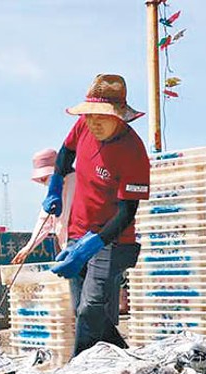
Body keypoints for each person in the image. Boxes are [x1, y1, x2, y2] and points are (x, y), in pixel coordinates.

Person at [43, 74, 150, 356]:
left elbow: (127, 213)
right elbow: (66, 152)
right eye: (90, 116)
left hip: (113, 240)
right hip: (77, 231)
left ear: (120, 116)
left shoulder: (134, 152)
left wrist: (92, 245)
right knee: (82, 311)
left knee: (91, 307)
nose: (93, 122)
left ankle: (79, 369)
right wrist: (55, 185)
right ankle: (123, 357)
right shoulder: (84, 124)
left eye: (101, 117)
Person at [11, 148, 75, 265]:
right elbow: (44, 222)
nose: (43, 182)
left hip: (82, 243)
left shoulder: (77, 182)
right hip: (67, 247)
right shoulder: (53, 194)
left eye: (44, 178)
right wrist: (28, 248)